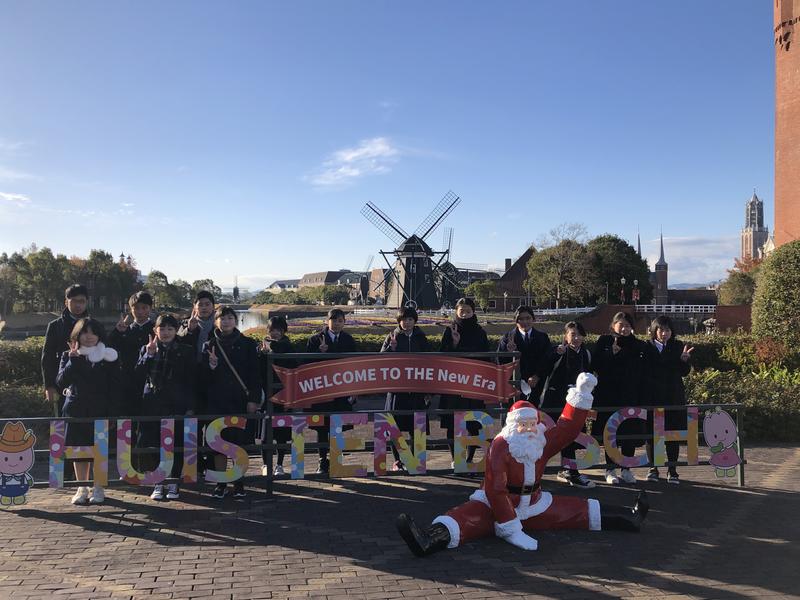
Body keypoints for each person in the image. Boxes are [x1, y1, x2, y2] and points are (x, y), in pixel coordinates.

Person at [396, 374, 649, 557]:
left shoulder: (539, 441)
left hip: (535, 504)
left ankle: (630, 517)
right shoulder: (501, 446)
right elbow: (496, 490)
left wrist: (581, 395)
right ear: (512, 425)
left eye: (531, 424)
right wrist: (511, 528)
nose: (528, 429)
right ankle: (427, 539)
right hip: (495, 506)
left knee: (578, 510)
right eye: (522, 424)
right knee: (463, 519)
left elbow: (567, 430)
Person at [55, 318, 121, 505]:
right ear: (77, 335)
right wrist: (73, 361)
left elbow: (115, 386)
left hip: (101, 410)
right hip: (76, 410)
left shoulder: (109, 356)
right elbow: (60, 382)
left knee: (99, 450)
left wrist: (113, 413)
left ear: (99, 335)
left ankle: (98, 487)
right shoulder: (69, 355)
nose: (89, 336)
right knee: (80, 450)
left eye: (93, 332)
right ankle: (82, 487)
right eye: (84, 332)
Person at [202, 306, 261, 499]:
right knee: (217, 444)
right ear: (216, 321)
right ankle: (220, 483)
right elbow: (201, 378)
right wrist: (210, 367)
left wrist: (253, 399)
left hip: (239, 400)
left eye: (229, 318)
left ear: (235, 321)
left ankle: (238, 482)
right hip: (217, 401)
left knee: (238, 444)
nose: (225, 321)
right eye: (222, 318)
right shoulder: (209, 345)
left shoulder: (248, 344)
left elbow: (255, 374)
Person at [135, 314, 196, 500]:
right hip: (152, 403)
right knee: (153, 443)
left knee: (175, 444)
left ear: (176, 330)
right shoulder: (147, 349)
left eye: (170, 329)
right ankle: (158, 481)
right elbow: (137, 374)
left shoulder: (186, 350)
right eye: (162, 329)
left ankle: (173, 481)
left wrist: (190, 406)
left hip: (176, 403)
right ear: (155, 330)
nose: (166, 332)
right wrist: (149, 355)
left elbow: (192, 380)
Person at [592, 311, 649, 485]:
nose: (624, 328)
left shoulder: (639, 345)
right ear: (613, 325)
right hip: (608, 395)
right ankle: (610, 469)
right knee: (611, 433)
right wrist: (612, 354)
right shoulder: (604, 341)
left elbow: (643, 371)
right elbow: (595, 365)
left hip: (630, 395)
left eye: (627, 325)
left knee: (628, 433)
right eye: (621, 325)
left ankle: (626, 469)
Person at [540, 321, 594, 489]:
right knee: (550, 437)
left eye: (579, 334)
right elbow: (544, 368)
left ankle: (569, 470)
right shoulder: (558, 351)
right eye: (572, 334)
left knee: (571, 437)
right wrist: (555, 354)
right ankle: (538, 470)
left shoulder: (586, 353)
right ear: (566, 336)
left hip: (576, 402)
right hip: (556, 400)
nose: (576, 338)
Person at [439, 297, 490, 465]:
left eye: (468, 311)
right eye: (462, 311)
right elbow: (442, 355)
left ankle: (468, 458)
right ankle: (456, 459)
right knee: (452, 423)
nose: (465, 314)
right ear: (456, 311)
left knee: (473, 423)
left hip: (473, 383)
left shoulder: (480, 332)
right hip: (453, 383)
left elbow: (486, 356)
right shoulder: (449, 330)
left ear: (473, 312)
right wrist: (454, 344)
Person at [305, 308, 356, 475]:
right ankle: (322, 460)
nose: (337, 324)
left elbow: (355, 364)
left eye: (340, 321)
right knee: (321, 427)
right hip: (322, 390)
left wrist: (354, 390)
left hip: (341, 389)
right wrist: (319, 352)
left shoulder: (348, 339)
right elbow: (306, 364)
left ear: (344, 322)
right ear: (327, 321)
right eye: (334, 320)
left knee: (337, 426)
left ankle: (335, 459)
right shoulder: (315, 339)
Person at [380, 307, 431, 473]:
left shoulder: (421, 337)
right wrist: (392, 348)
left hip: (416, 389)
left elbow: (430, 360)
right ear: (398, 321)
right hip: (397, 390)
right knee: (395, 428)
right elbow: (380, 359)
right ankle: (398, 461)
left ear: (415, 321)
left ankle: (415, 459)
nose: (406, 322)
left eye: (410, 319)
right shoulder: (392, 337)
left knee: (416, 427)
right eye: (403, 319)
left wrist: (428, 390)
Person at [644, 316, 693, 485]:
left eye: (667, 330)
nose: (664, 333)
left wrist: (684, 361)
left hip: (673, 397)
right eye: (661, 330)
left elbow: (684, 372)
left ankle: (672, 470)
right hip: (653, 398)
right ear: (654, 331)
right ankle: (653, 468)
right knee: (653, 435)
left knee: (672, 434)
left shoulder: (678, 346)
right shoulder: (647, 347)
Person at [42, 284, 90, 416]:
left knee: (91, 424)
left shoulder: (94, 325)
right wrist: (49, 386)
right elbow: (47, 357)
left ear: (86, 302)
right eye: (74, 301)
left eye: (82, 301)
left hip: (89, 384)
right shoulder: (55, 326)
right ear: (66, 302)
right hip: (62, 383)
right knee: (60, 423)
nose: (78, 305)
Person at [258, 316, 296, 477]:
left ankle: (279, 464)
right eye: (272, 330)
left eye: (279, 330)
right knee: (265, 434)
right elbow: (257, 371)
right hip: (267, 395)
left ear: (284, 331)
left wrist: (271, 350)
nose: (275, 333)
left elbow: (293, 368)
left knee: (282, 433)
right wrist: (262, 354)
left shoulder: (289, 347)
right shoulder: (261, 347)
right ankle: (266, 464)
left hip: (284, 394)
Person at [108, 291, 155, 418]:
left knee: (149, 420)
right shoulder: (124, 330)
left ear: (150, 308)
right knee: (127, 421)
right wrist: (117, 332)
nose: (140, 311)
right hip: (127, 381)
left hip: (150, 381)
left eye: (144, 308)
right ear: (130, 309)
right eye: (136, 308)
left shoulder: (157, 330)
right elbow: (108, 348)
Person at [497, 306, 553, 405]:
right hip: (514, 385)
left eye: (528, 318)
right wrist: (508, 352)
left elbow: (547, 359)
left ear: (533, 319)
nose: (525, 322)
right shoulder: (507, 338)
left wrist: (537, 375)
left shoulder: (542, 337)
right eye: (521, 319)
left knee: (533, 411)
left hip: (536, 384)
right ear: (516, 321)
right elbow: (500, 361)